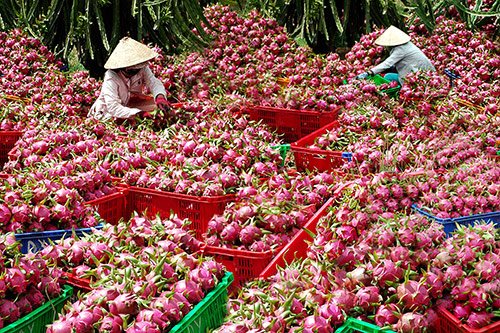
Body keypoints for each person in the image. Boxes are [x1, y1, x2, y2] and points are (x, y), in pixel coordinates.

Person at [88, 37, 171, 121]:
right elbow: (113, 107)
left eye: (136, 70)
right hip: (107, 112)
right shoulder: (111, 77)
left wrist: (160, 97)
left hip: (131, 104)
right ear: (121, 68)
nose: (134, 73)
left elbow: (153, 82)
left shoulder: (141, 68)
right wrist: (139, 114)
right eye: (131, 71)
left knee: (161, 109)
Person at [356, 26, 435, 84]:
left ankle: (400, 90)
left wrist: (369, 72)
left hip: (417, 78)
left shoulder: (400, 49)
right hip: (427, 74)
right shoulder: (408, 44)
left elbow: (387, 63)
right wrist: (393, 67)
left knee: (388, 77)